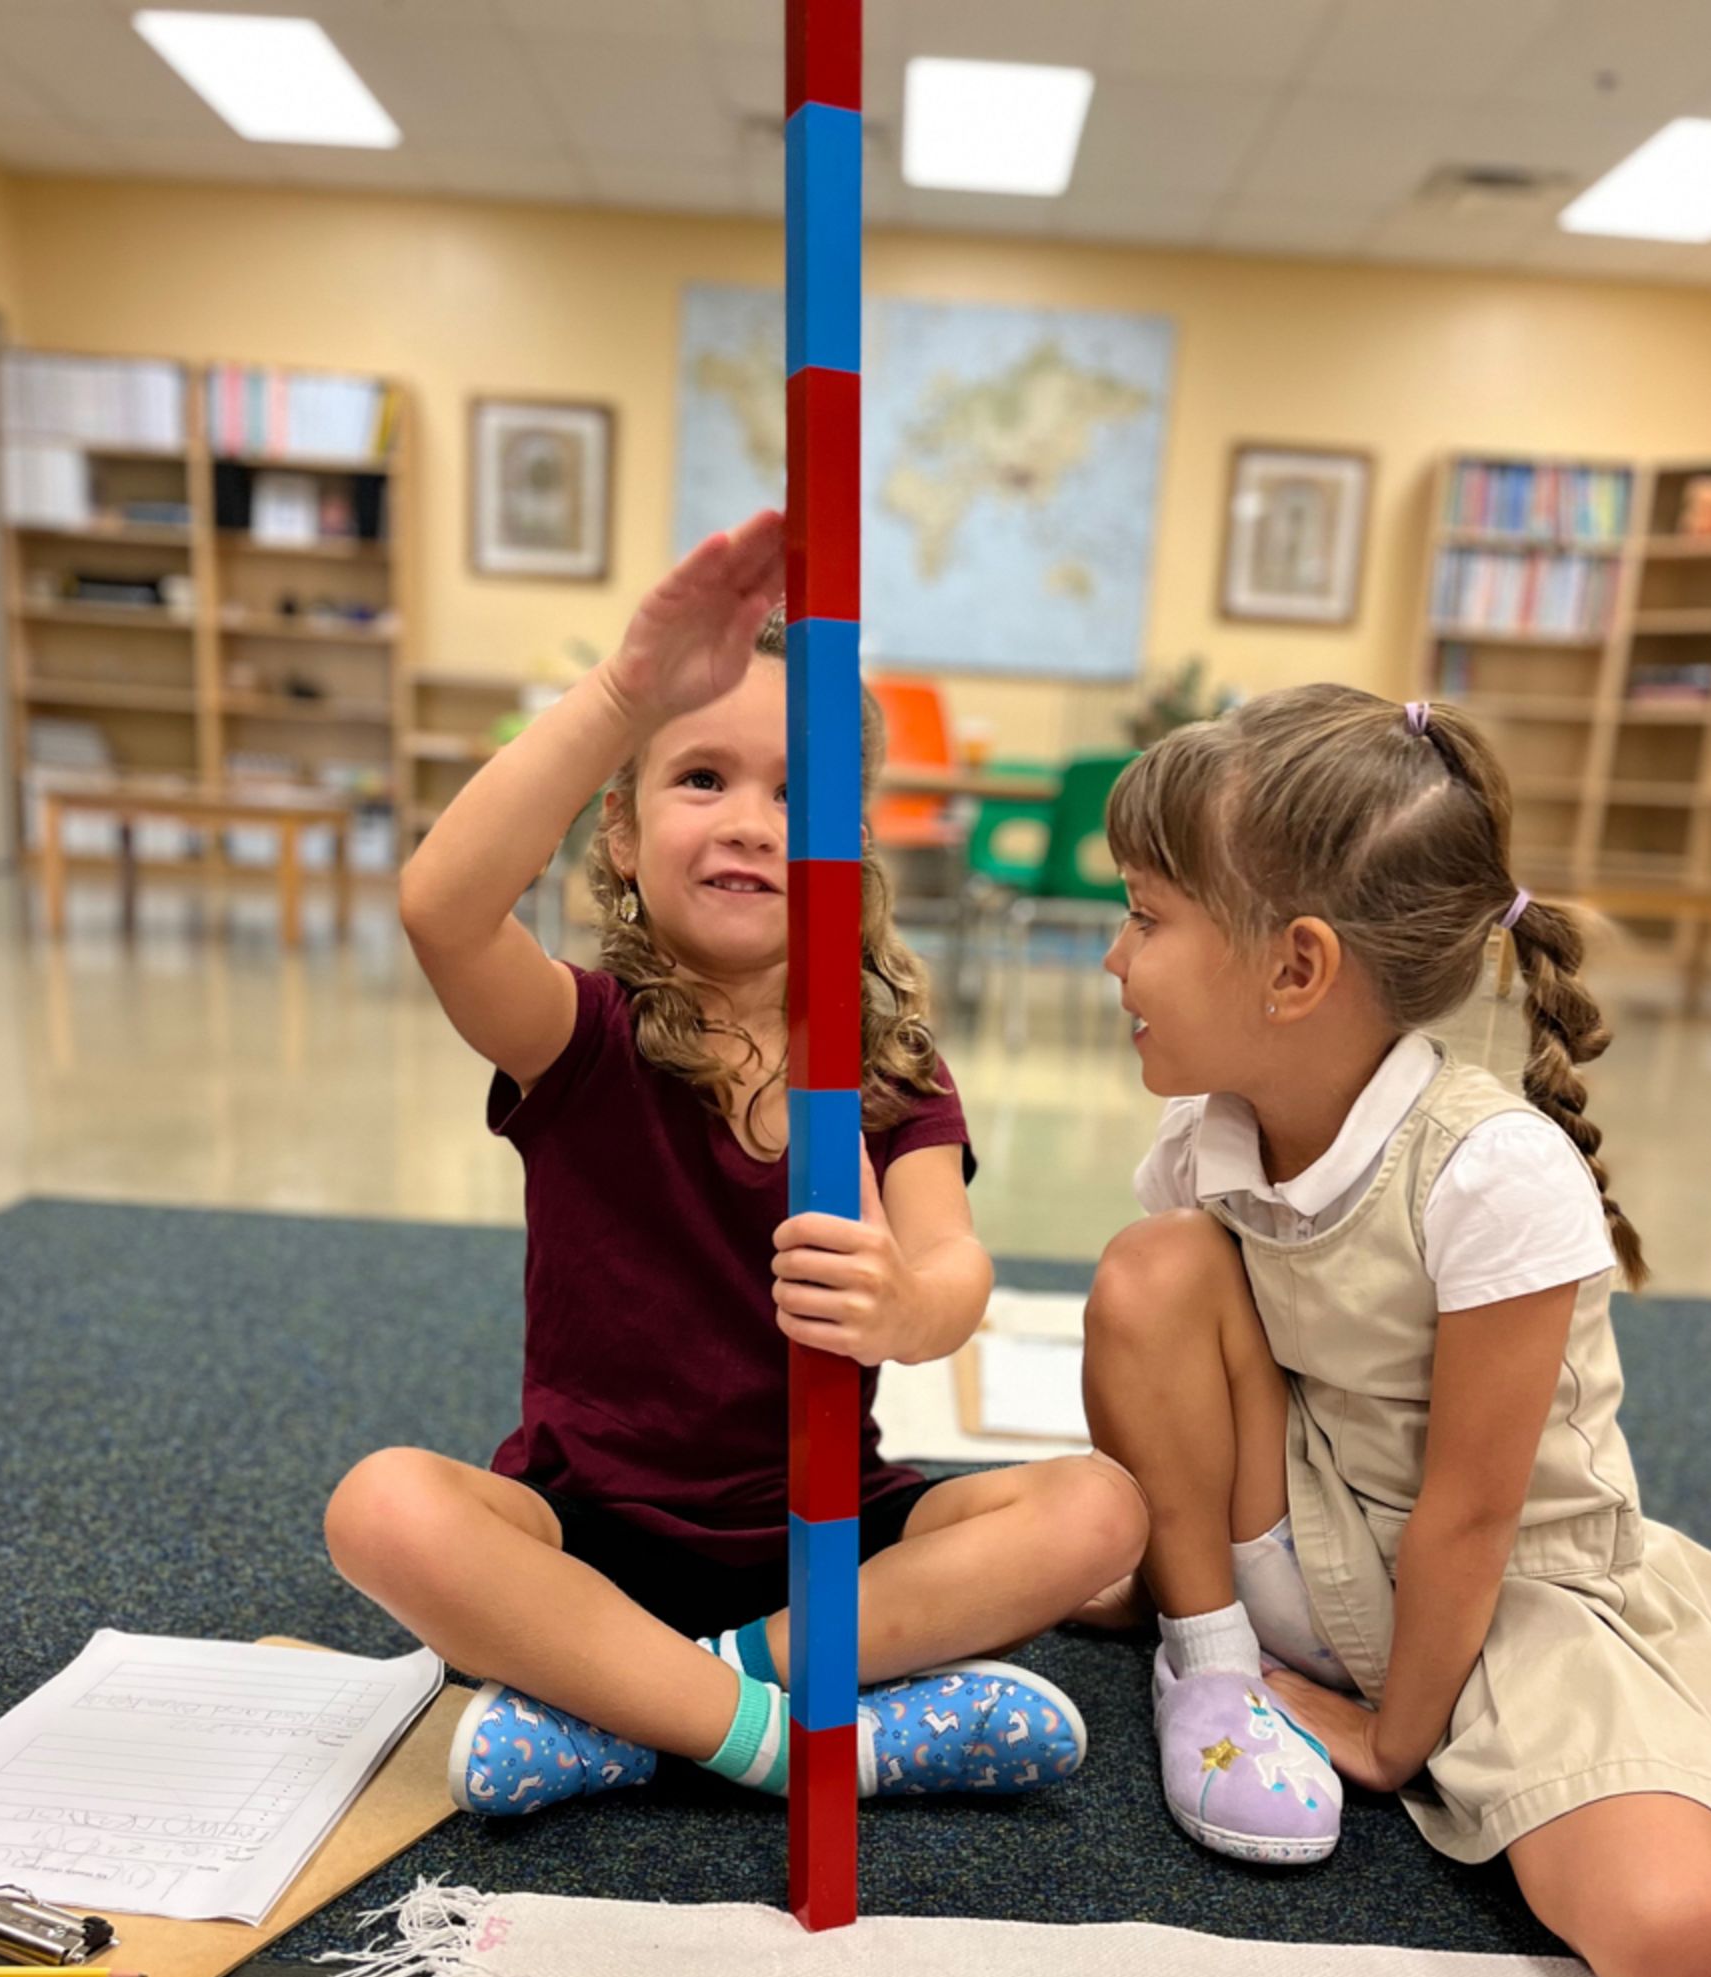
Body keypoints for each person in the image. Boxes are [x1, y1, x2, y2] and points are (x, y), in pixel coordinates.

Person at [325, 510, 1145, 1818]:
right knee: (383, 1510)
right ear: (623, 830)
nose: (753, 822)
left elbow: (953, 1271)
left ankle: (649, 1707)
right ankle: (792, 1737)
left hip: (826, 1543)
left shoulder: (891, 1066)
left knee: (1101, 1513)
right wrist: (624, 692)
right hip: (592, 1537)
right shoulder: (581, 1035)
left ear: (851, 845)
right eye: (701, 778)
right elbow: (441, 905)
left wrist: (902, 1303)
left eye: (797, 793)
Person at [1081, 684, 1711, 1977]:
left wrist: (1390, 1738)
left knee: (1681, 1946)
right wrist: (1225, 1628)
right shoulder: (1208, 1134)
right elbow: (1185, 1358)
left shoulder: (1494, 1172)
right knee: (1154, 1270)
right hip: (1301, 1538)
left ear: (1297, 969)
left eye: (1146, 919)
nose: (1113, 958)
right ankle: (1209, 1665)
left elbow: (1477, 1514)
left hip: (1503, 1594)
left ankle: (1356, 1696)